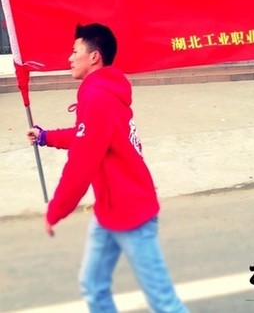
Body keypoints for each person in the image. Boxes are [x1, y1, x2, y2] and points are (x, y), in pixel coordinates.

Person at [27, 23, 188, 313]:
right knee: (93, 285)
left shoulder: (98, 97)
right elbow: (84, 136)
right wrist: (45, 137)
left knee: (164, 303)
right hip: (110, 211)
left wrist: (55, 210)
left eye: (75, 51)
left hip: (133, 214)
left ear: (94, 57)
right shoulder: (101, 92)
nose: (69, 58)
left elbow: (81, 165)